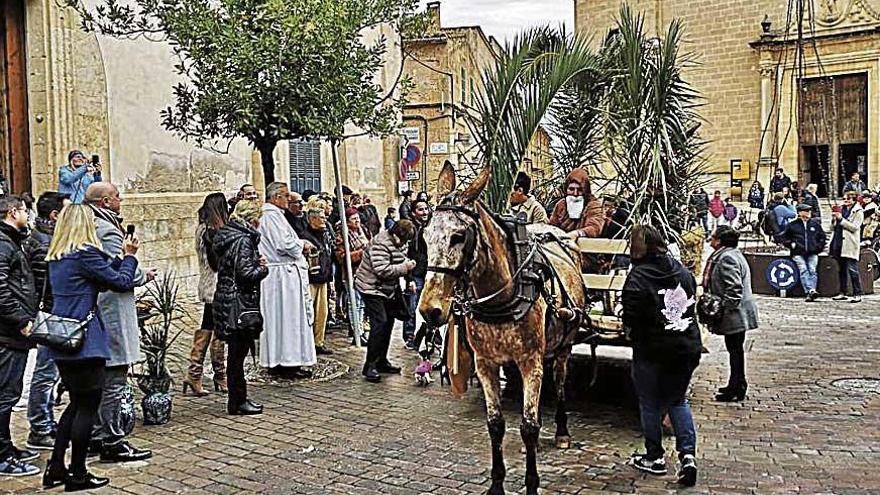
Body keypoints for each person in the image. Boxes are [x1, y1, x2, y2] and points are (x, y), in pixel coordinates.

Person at [43, 204, 140, 491]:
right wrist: (130, 257)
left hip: (62, 338)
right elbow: (120, 281)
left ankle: (57, 467)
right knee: (87, 407)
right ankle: (78, 474)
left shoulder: (57, 256)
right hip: (84, 341)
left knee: (75, 405)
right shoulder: (84, 253)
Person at [621, 225, 701, 487]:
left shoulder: (637, 277)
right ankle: (688, 456)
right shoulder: (683, 271)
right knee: (678, 400)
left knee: (650, 403)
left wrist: (631, 333)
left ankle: (654, 456)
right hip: (686, 346)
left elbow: (630, 319)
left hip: (652, 351)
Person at [83, 182, 155, 463]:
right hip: (112, 308)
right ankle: (111, 439)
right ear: (103, 202)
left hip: (100, 306)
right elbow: (119, 273)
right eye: (115, 196)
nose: (120, 199)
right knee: (115, 375)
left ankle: (96, 435)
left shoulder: (89, 225)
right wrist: (141, 273)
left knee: (104, 378)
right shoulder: (108, 230)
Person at [212, 200, 269, 416]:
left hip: (227, 298)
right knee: (237, 355)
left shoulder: (229, 235)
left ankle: (237, 399)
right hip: (239, 303)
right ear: (252, 219)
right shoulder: (243, 239)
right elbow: (246, 273)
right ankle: (238, 401)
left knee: (235, 354)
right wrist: (262, 268)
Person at [23, 192, 69, 452]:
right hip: (49, 315)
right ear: (54, 215)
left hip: (49, 313)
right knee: (45, 373)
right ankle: (40, 427)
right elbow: (44, 286)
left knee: (49, 373)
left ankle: (44, 422)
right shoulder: (45, 245)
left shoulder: (43, 239)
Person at [258, 183, 317, 377]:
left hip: (283, 275)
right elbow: (284, 245)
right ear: (275, 198)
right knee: (287, 319)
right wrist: (302, 244)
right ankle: (287, 363)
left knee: (282, 319)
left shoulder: (274, 216)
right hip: (282, 276)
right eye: (284, 196)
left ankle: (283, 360)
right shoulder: (271, 216)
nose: (288, 199)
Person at [0, 195, 39, 477]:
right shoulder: (3, 244)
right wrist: (21, 319)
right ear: (13, 212)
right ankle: (2, 455)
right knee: (5, 394)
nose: (29, 215)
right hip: (7, 333)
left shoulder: (12, 240)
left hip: (12, 332)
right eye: (25, 211)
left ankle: (7, 446)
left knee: (8, 393)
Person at [355, 220, 416, 383]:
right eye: (402, 240)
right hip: (371, 287)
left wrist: (409, 279)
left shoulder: (401, 242)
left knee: (388, 322)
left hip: (388, 289)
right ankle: (370, 366)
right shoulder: (380, 243)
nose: (404, 244)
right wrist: (406, 268)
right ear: (394, 234)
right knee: (379, 323)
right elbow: (382, 270)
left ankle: (381, 361)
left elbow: (402, 259)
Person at [703, 226, 758, 402]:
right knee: (734, 350)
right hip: (736, 311)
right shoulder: (730, 254)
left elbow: (734, 288)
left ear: (719, 241)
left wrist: (723, 308)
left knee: (735, 350)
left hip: (735, 312)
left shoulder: (726, 257)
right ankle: (736, 383)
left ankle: (737, 386)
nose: (710, 241)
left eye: (713, 238)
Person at [182, 193, 229, 396]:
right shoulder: (209, 232)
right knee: (213, 327)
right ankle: (206, 374)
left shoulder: (206, 228)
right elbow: (215, 263)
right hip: (215, 285)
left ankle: (203, 374)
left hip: (212, 284)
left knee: (211, 326)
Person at [298, 201, 335, 356]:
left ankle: (318, 342)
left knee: (322, 313)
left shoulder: (324, 235)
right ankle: (306, 343)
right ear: (312, 220)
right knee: (309, 313)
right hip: (311, 280)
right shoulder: (305, 237)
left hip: (323, 278)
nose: (324, 220)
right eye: (321, 218)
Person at [780, 204, 827, 301]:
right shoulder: (793, 225)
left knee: (812, 270)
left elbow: (822, 237)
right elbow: (784, 238)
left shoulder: (815, 224)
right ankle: (810, 290)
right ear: (800, 213)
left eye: (809, 211)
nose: (808, 213)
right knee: (803, 269)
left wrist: (818, 247)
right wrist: (791, 244)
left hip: (812, 252)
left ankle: (811, 291)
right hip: (798, 252)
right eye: (806, 211)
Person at [335, 207, 369, 336]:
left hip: (365, 272)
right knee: (354, 303)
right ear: (347, 221)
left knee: (362, 304)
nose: (357, 221)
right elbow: (341, 257)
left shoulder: (362, 231)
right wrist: (361, 253)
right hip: (351, 272)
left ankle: (360, 329)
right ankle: (357, 332)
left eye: (358, 218)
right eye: (354, 219)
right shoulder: (342, 235)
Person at [403, 200, 430, 348]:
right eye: (421, 209)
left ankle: (428, 336)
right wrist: (409, 278)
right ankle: (410, 336)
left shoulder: (432, 227)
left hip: (429, 273)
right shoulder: (410, 229)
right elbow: (407, 255)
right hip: (416, 274)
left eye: (426, 209)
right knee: (412, 308)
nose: (425, 212)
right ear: (414, 212)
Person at [548, 168, 604, 238]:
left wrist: (577, 233)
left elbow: (595, 228)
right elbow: (552, 226)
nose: (575, 193)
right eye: (571, 189)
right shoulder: (561, 205)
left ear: (585, 190)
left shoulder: (594, 205)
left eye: (580, 189)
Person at [830, 192, 864, 303]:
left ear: (854, 200)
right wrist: (834, 219)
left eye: (848, 198)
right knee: (841, 270)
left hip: (849, 244)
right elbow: (832, 228)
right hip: (838, 241)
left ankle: (857, 293)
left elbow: (854, 227)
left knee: (852, 269)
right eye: (844, 198)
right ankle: (842, 292)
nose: (846, 200)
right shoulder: (842, 209)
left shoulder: (858, 211)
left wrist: (841, 220)